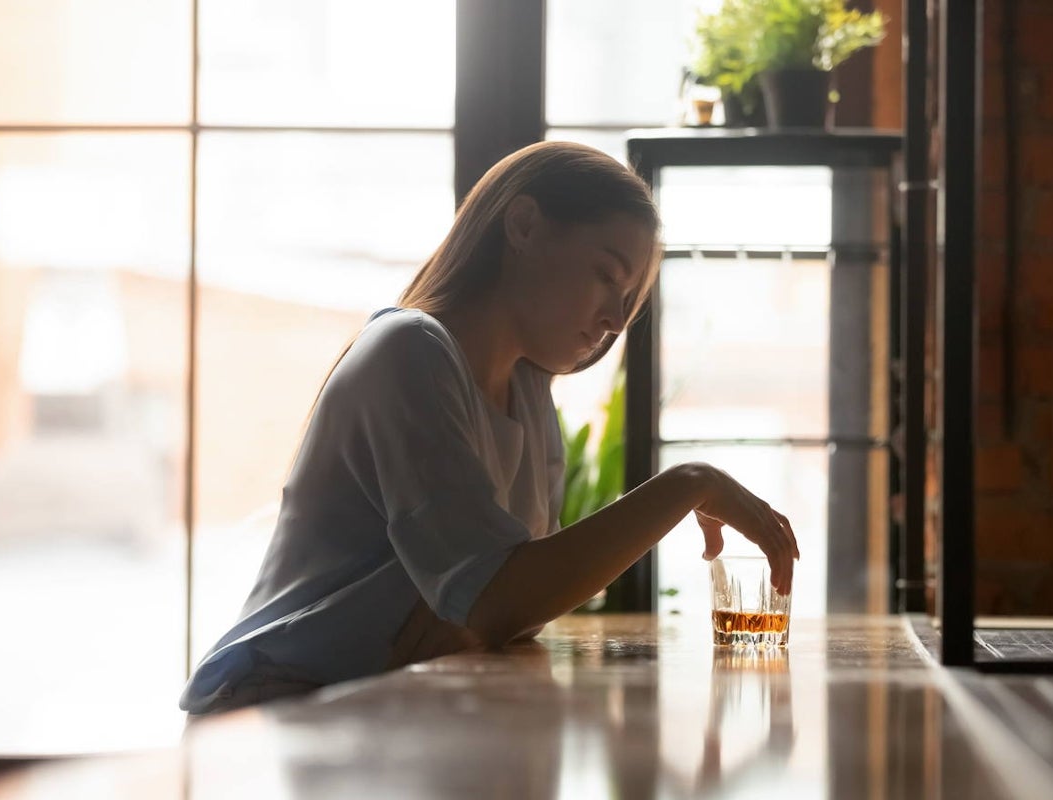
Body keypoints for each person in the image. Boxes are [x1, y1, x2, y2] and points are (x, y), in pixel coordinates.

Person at [179, 140, 800, 716]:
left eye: (627, 295)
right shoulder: (409, 350)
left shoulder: (528, 393)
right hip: (277, 706)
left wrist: (485, 603)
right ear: (524, 225)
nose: (615, 317)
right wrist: (691, 484)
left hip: (381, 702)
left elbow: (509, 608)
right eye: (607, 275)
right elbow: (499, 600)